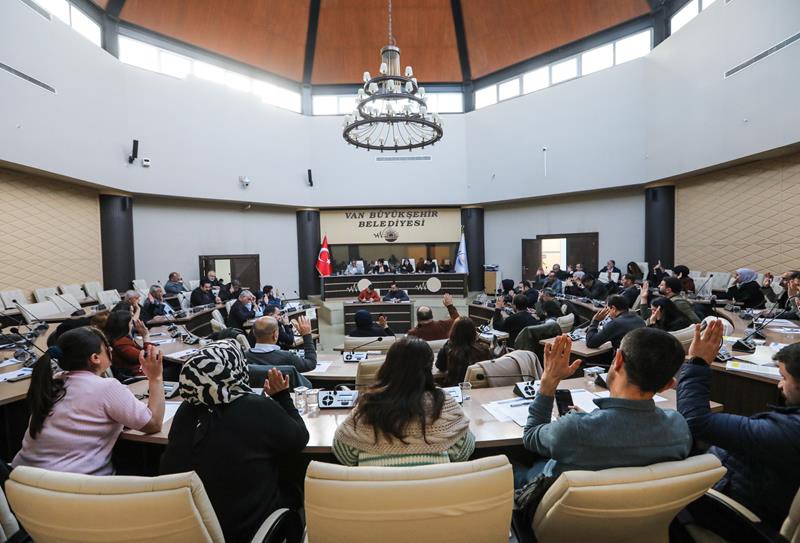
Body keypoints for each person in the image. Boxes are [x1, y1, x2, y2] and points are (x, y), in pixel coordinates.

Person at [160, 341, 308, 542]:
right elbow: (300, 438)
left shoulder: (185, 410)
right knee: (293, 486)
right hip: (246, 531)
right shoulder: (256, 407)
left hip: (192, 530)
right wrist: (282, 396)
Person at [517, 330, 690, 486]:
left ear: (618, 360)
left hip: (547, 501)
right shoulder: (679, 428)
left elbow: (531, 435)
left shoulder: (573, 430)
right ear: (668, 385)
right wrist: (591, 419)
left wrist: (549, 380)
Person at [677, 321, 800, 530]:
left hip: (733, 514)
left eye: (783, 377)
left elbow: (697, 421)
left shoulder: (788, 431)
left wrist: (698, 362)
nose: (779, 385)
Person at [13, 327, 164, 475]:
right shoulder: (107, 387)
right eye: (106, 346)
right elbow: (153, 424)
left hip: (22, 480)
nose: (111, 349)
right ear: (95, 358)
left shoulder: (53, 381)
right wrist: (155, 377)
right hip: (72, 486)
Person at [333, 337, 475, 466]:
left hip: (376, 486)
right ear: (428, 368)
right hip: (435, 486)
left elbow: (345, 455)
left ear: (387, 365)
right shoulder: (443, 402)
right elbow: (462, 453)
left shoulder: (369, 404)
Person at [435, 317, 492, 387]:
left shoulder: (449, 348)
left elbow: (440, 366)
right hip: (480, 388)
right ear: (474, 332)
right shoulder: (483, 349)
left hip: (455, 388)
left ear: (454, 332)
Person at [247, 315, 316, 372]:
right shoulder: (287, 357)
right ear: (275, 335)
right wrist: (307, 335)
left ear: (254, 333)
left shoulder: (244, 357)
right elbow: (311, 364)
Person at [104, 310, 154, 379]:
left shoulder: (120, 339)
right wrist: (146, 336)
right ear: (123, 326)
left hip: (143, 370)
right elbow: (147, 357)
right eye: (131, 323)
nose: (133, 326)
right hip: (139, 376)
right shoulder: (121, 343)